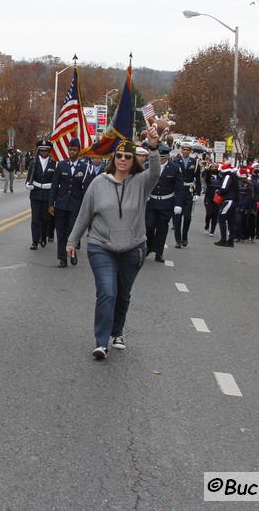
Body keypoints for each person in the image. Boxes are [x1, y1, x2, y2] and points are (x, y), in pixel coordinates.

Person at [66, 126, 162, 360]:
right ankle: (101, 342)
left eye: (127, 157)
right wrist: (72, 240)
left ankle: (117, 331)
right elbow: (84, 214)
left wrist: (153, 146)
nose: (122, 160)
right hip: (101, 246)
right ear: (113, 158)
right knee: (107, 292)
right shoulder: (98, 183)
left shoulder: (141, 183)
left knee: (123, 294)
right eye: (118, 156)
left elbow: (155, 173)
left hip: (132, 248)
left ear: (133, 161)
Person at [49, 138, 89, 268]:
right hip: (61, 204)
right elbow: (54, 186)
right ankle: (62, 259)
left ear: (79, 151)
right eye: (70, 149)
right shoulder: (61, 165)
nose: (72, 152)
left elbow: (86, 189)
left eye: (74, 150)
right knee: (60, 232)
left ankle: (72, 252)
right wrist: (51, 204)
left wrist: (85, 207)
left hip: (76, 205)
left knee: (72, 231)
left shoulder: (84, 167)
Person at [145, 142, 181, 262]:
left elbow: (179, 187)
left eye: (163, 157)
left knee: (162, 228)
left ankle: (158, 253)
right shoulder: (148, 166)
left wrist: (178, 204)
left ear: (167, 156)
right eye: (158, 157)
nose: (160, 160)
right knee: (149, 226)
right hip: (151, 201)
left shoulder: (175, 168)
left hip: (166, 203)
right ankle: (147, 248)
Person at [25, 139, 56, 249]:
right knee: (35, 218)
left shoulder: (53, 163)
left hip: (47, 193)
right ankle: (34, 241)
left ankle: (43, 236)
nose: (44, 153)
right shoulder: (34, 162)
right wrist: (28, 184)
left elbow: (55, 180)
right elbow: (29, 176)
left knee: (45, 218)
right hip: (36, 193)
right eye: (42, 150)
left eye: (46, 151)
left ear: (49, 151)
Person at [171, 141, 201, 248]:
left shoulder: (195, 162)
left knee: (187, 217)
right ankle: (178, 240)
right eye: (184, 149)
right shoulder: (175, 161)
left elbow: (197, 178)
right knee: (177, 217)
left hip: (189, 191)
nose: (185, 151)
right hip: (178, 191)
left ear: (190, 151)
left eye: (188, 150)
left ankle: (184, 236)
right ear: (181, 150)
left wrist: (198, 192)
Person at [214, 164, 238, 246]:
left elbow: (224, 188)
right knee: (231, 221)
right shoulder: (234, 178)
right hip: (233, 201)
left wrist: (218, 191)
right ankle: (230, 241)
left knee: (221, 218)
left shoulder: (227, 177)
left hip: (228, 201)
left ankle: (223, 240)